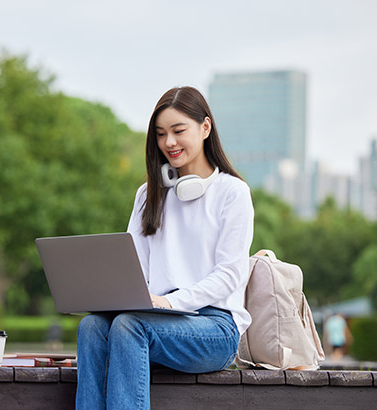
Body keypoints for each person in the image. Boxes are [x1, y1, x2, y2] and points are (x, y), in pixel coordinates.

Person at [75, 86, 254, 410]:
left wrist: (170, 303)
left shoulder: (233, 193)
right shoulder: (149, 195)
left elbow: (229, 276)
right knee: (91, 327)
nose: (168, 142)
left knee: (129, 326)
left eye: (178, 131)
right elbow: (133, 268)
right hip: (153, 316)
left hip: (215, 327)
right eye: (160, 134)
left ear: (205, 128)